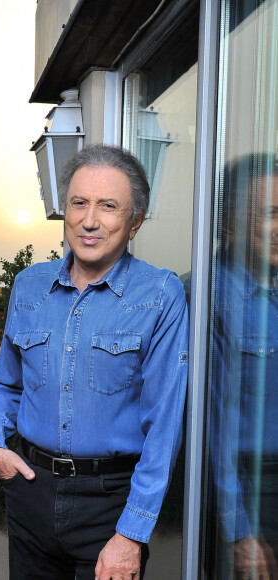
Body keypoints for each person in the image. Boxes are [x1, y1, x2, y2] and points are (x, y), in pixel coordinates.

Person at [0, 143, 189, 579]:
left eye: (108, 206)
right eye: (79, 203)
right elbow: (5, 385)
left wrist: (131, 534)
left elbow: (165, 426)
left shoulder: (161, 295)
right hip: (30, 492)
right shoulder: (29, 286)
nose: (89, 220)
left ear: (135, 223)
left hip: (111, 506)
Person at [209, 153, 278, 579]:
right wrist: (240, 532)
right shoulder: (210, 299)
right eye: (271, 214)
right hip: (254, 491)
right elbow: (212, 429)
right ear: (230, 224)